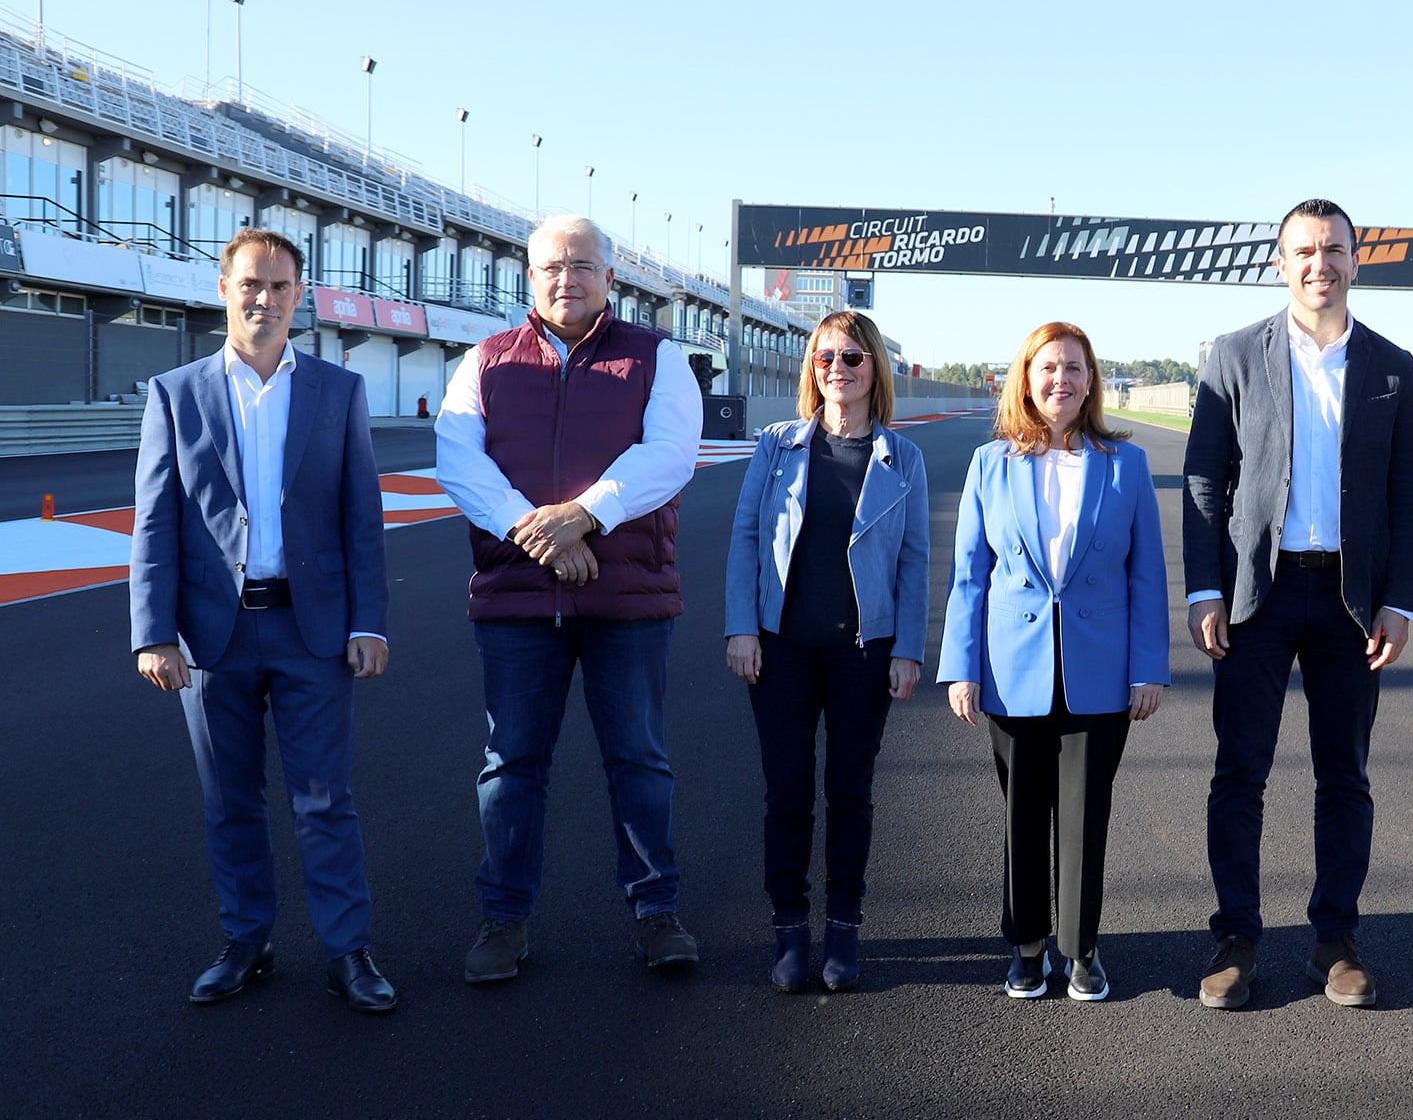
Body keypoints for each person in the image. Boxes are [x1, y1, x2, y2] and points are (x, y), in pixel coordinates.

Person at [129, 227, 396, 1013]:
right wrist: (152, 631)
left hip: (312, 632)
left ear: (300, 295)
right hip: (213, 639)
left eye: (281, 286)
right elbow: (155, 521)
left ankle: (348, 951)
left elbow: (362, 516)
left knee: (325, 799)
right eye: (252, 283)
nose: (266, 299)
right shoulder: (174, 394)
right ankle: (247, 941)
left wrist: (369, 621)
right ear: (223, 288)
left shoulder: (338, 391)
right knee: (230, 801)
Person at [436, 213, 703, 983]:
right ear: (529, 277)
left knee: (640, 761)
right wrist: (541, 531)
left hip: (627, 599)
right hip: (519, 598)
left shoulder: (657, 358)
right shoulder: (484, 361)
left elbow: (670, 454)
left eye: (583, 265)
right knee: (511, 764)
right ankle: (503, 921)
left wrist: (585, 513)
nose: (567, 278)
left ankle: (658, 914)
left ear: (609, 278)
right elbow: (459, 459)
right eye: (552, 265)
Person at [1184, 199, 1413, 1011]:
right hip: (1259, 592)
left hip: (1350, 602)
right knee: (1239, 773)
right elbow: (1205, 479)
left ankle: (1336, 937)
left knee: (1345, 775)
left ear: (1356, 260)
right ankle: (1236, 938)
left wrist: (1399, 600)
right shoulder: (1231, 355)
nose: (1318, 262)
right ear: (1280, 263)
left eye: (1333, 249)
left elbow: (1407, 496)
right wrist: (1208, 586)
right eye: (1303, 250)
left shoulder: (1393, 365)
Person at [939, 321, 1169, 1002]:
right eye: (1049, 367)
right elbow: (968, 576)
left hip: (1100, 670)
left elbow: (1148, 573)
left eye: (1074, 367)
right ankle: (1029, 945)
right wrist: (963, 666)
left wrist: (1148, 666)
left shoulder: (1124, 464)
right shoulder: (991, 463)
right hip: (1012, 670)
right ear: (1027, 377)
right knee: (1023, 813)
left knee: (1084, 812)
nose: (1061, 379)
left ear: (1091, 380)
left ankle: (1081, 949)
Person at [724, 311, 930, 993]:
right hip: (780, 649)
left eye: (850, 358)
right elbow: (748, 537)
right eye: (823, 358)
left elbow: (915, 560)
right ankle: (789, 928)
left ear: (874, 367)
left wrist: (907, 648)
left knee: (850, 791)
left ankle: (844, 925)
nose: (835, 369)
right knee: (786, 794)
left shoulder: (905, 458)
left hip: (862, 654)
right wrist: (741, 627)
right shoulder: (777, 445)